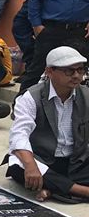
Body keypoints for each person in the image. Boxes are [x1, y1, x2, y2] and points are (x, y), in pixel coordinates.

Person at [7, 46, 89, 202]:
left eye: (80, 70)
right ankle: (82, 191)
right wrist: (31, 165)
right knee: (18, 166)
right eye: (69, 71)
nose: (77, 75)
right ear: (49, 71)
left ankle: (52, 190)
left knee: (53, 177)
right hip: (42, 159)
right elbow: (19, 134)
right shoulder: (31, 97)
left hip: (76, 161)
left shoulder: (86, 95)